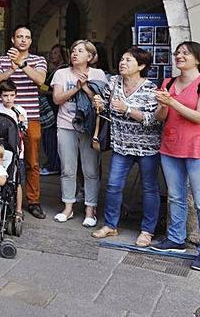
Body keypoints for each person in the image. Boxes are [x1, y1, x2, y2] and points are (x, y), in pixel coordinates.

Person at [151, 41, 200, 271]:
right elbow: (162, 117)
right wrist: (163, 105)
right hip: (171, 147)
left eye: (185, 53)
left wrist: (173, 101)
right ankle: (175, 239)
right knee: (175, 196)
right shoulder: (168, 82)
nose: (179, 56)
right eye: (177, 53)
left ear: (198, 59)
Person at [90, 47, 161, 247]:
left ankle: (147, 231)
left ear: (141, 65)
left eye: (128, 60)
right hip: (120, 145)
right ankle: (110, 225)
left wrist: (128, 110)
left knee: (149, 189)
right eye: (122, 59)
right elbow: (104, 106)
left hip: (147, 147)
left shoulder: (150, 88)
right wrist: (98, 102)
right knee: (113, 186)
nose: (123, 63)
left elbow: (155, 120)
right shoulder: (113, 82)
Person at [0, 26, 47, 219]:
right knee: (1, 157)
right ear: (13, 39)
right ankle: (1, 194)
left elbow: (40, 80)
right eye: (19, 37)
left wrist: (22, 64)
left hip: (30, 117)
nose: (23, 40)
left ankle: (34, 201)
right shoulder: (1, 60)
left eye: (27, 37)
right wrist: (11, 68)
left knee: (31, 161)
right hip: (4, 118)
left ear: (31, 41)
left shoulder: (39, 60)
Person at [50, 40, 106, 227]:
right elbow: (57, 99)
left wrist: (86, 87)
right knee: (68, 169)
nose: (75, 53)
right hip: (66, 125)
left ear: (89, 57)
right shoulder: (61, 73)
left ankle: (90, 210)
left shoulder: (98, 74)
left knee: (90, 170)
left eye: (80, 51)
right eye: (73, 50)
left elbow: (102, 101)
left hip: (89, 126)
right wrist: (76, 87)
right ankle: (68, 207)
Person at [0, 79, 28, 217]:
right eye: (5, 95)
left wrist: (21, 123)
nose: (9, 98)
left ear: (16, 95)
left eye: (12, 95)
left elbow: (24, 132)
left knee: (16, 180)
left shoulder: (20, 111)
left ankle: (18, 209)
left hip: (16, 151)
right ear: (0, 96)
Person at [40, 44, 68, 176]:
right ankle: (52, 162)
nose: (52, 55)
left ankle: (54, 165)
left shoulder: (61, 70)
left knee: (51, 137)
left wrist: (44, 91)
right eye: (51, 52)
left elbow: (54, 91)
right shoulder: (55, 70)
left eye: (56, 53)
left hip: (54, 108)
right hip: (51, 107)